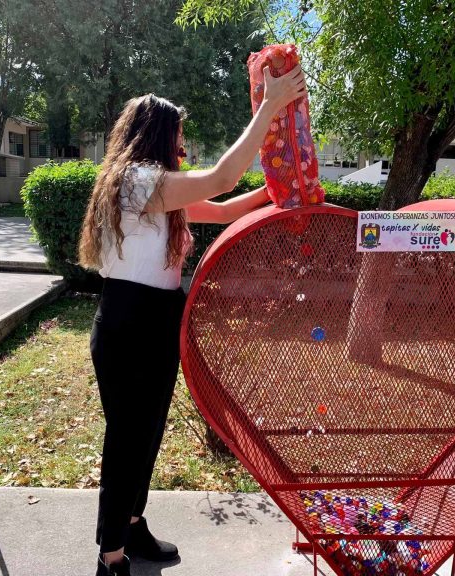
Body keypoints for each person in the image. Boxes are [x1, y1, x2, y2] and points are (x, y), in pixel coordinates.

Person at [78, 64, 307, 576]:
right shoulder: (135, 183)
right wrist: (270, 105)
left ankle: (132, 526)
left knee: (148, 431)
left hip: (156, 318)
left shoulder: (160, 192)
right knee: (126, 439)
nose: (182, 143)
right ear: (156, 135)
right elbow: (222, 177)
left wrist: (288, 189)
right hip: (127, 322)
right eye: (177, 134)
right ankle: (110, 554)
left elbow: (225, 208)